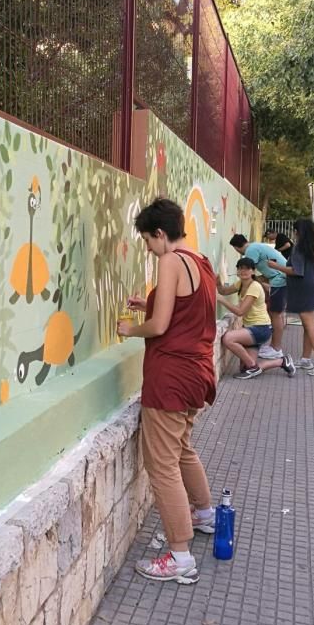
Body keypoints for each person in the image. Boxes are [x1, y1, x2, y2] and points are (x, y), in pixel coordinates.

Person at [117, 198, 216, 585]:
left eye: (146, 240)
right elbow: (186, 311)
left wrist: (130, 329)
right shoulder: (200, 262)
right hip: (197, 373)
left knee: (162, 466)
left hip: (170, 377)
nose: (147, 248)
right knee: (184, 449)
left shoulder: (170, 261)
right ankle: (204, 515)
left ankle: (180, 556)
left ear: (160, 233)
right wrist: (151, 301)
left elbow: (159, 327)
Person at [267, 218, 314, 376]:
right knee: (308, 325)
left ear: (297, 232)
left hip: (305, 289)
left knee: (310, 325)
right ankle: (305, 359)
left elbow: (296, 271)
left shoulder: (300, 248)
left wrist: (275, 266)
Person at [217, 257, 296, 379]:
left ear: (253, 271)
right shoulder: (240, 283)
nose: (243, 271)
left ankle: (253, 368)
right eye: (240, 268)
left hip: (260, 329)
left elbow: (240, 311)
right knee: (245, 368)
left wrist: (221, 301)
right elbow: (224, 291)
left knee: (228, 338)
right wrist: (217, 281)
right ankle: (281, 361)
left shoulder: (254, 286)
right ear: (237, 271)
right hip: (251, 328)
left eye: (247, 269)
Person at [229, 234, 288, 359]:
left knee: (276, 314)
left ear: (236, 248)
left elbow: (251, 273)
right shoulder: (256, 246)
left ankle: (276, 348)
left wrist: (256, 284)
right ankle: (273, 346)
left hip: (279, 279)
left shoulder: (250, 250)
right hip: (278, 278)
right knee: (275, 313)